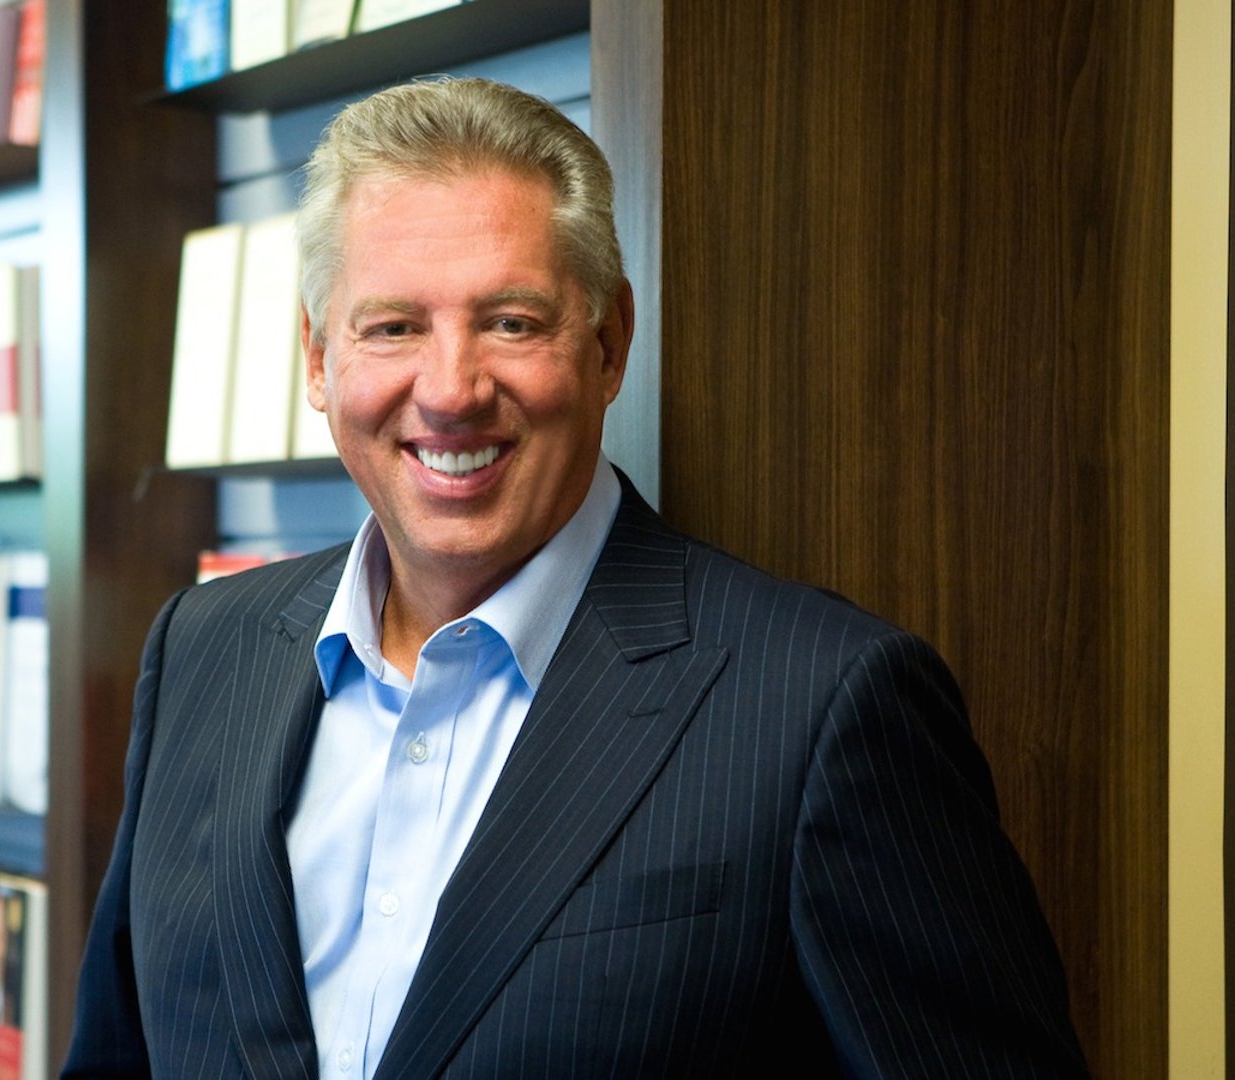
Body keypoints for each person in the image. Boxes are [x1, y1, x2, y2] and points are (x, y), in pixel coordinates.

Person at [65, 77, 1086, 1077]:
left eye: (512, 321)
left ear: (608, 345)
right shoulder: (201, 649)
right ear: (319, 359)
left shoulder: (822, 706)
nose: (452, 389)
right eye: (393, 327)